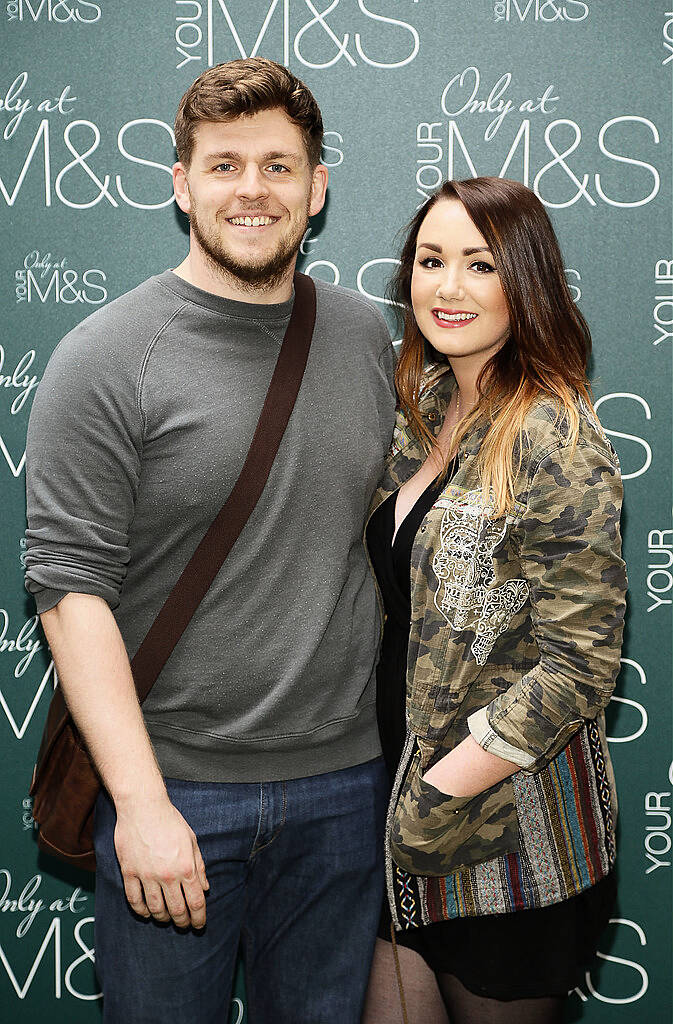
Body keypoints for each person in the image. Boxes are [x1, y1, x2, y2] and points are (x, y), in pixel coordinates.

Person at [24, 58, 395, 1023]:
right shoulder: (106, 356)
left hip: (344, 789)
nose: (252, 190)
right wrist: (140, 808)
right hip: (176, 790)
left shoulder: (365, 338)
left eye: (278, 165)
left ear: (317, 190)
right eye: (224, 164)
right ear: (181, 182)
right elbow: (68, 595)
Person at [362, 177, 626, 1024]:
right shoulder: (424, 408)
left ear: (526, 281)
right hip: (389, 812)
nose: (448, 287)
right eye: (431, 261)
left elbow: (580, 667)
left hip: (506, 833)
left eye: (480, 265)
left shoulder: (553, 434)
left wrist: (440, 792)